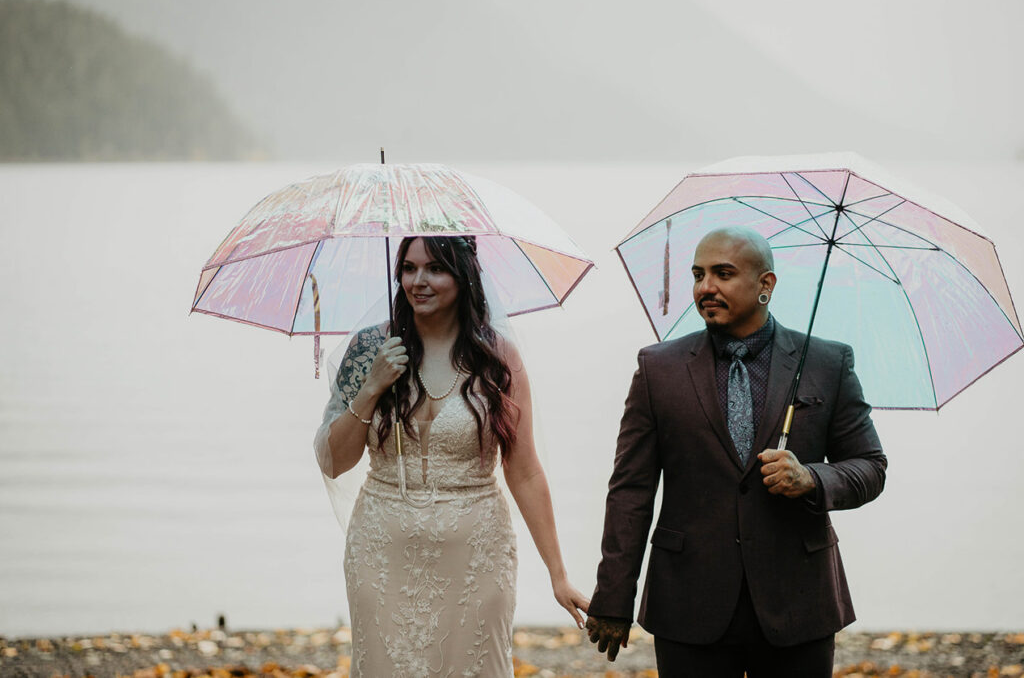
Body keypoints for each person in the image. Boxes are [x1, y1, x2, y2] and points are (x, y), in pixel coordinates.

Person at [585, 227, 887, 676]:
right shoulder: (658, 368)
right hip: (688, 601)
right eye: (698, 274)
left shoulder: (826, 362)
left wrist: (812, 478)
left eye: (723, 274)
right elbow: (631, 490)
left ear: (766, 285)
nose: (705, 287)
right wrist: (613, 596)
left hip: (799, 601)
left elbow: (871, 467)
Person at [314, 235, 589, 677]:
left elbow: (524, 471)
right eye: (407, 268)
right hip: (382, 551)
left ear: (463, 276)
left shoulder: (498, 358)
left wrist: (558, 574)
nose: (417, 281)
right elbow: (334, 460)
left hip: (476, 553)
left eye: (434, 268)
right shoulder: (370, 350)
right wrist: (372, 387)